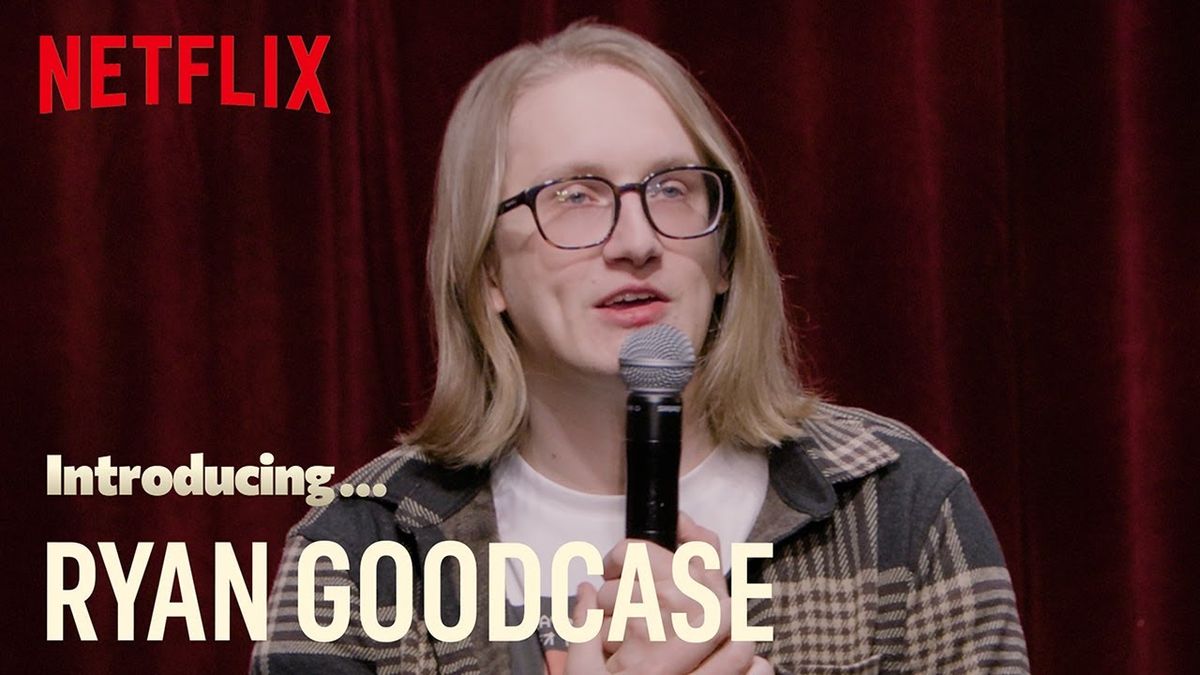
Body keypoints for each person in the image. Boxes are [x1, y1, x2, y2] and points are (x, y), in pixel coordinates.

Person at [251, 22, 1028, 674]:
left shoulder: (899, 503)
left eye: (671, 188)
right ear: (487, 270)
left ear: (725, 255)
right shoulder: (360, 549)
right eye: (573, 196)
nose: (636, 240)